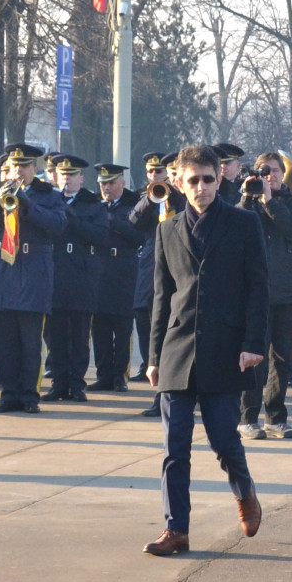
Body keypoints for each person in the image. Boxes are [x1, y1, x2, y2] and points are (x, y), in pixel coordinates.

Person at [143, 145, 270, 557]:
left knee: (223, 439)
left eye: (209, 179)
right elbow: (162, 297)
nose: (201, 187)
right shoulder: (166, 230)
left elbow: (258, 289)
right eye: (193, 180)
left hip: (226, 349)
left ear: (221, 179)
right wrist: (153, 356)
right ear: (178, 183)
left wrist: (253, 344)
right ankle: (175, 529)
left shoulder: (244, 224)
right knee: (174, 447)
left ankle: (245, 491)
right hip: (178, 351)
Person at [0, 143, 68, 414]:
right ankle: (8, 394)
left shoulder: (48, 194)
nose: (18, 171)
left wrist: (28, 204)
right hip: (2, 273)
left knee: (30, 343)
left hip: (33, 273)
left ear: (34, 169)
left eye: (24, 166)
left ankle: (29, 396)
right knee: (5, 344)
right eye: (14, 166)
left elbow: (57, 226)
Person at [238, 151, 292, 439]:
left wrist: (270, 202)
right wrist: (248, 197)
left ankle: (276, 417)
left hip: (289, 291)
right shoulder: (248, 205)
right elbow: (235, 227)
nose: (269, 176)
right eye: (263, 172)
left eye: (274, 171)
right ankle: (247, 417)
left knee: (282, 358)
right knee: (254, 356)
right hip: (256, 292)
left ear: (282, 173)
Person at [43, 153, 108, 402]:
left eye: (72, 175)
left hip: (82, 276)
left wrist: (73, 218)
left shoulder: (93, 204)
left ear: (81, 178)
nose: (66, 179)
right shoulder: (50, 201)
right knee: (56, 336)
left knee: (80, 336)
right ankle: (59, 383)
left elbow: (100, 235)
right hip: (56, 275)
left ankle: (77, 384)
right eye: (63, 175)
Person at [128, 151, 180, 418]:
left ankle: (177, 394)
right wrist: (151, 197)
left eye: (164, 173)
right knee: (149, 325)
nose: (158, 177)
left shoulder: (184, 197)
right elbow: (134, 221)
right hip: (153, 263)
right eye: (154, 173)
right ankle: (160, 394)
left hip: (180, 265)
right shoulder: (147, 196)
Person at [90, 164, 141, 392]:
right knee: (99, 327)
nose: (106, 187)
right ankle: (103, 375)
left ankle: (120, 376)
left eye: (111, 183)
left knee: (122, 328)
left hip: (123, 268)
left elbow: (139, 236)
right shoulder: (94, 206)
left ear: (122, 182)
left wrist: (113, 221)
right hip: (99, 268)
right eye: (102, 183)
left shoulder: (133, 204)